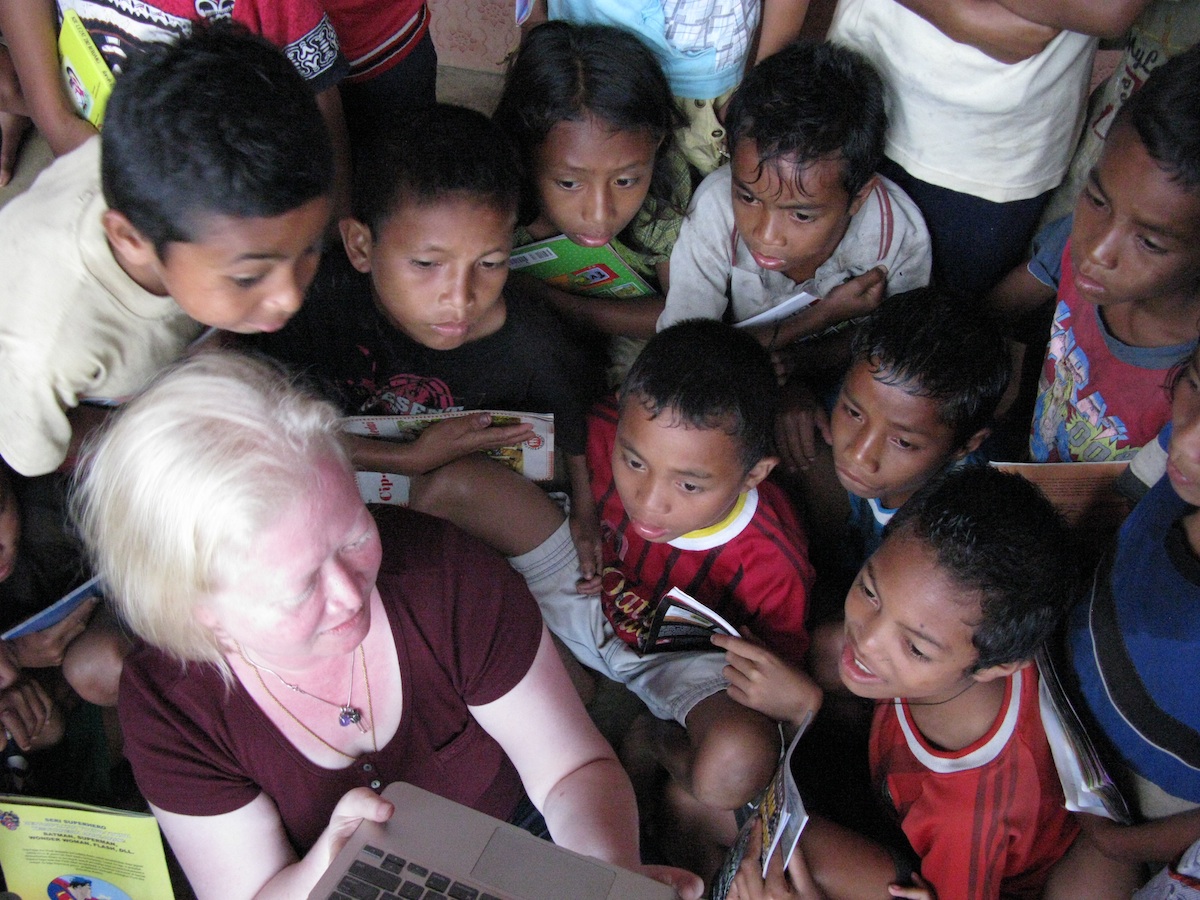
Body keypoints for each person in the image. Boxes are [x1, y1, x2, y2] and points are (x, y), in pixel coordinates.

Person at [70, 351, 703, 900]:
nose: (351, 593)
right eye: (300, 587)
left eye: (352, 536)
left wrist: (605, 879)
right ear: (196, 611)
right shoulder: (171, 705)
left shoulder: (443, 575)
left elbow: (568, 770)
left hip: (525, 841)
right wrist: (326, 861)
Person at [508, 320, 816, 880]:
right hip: (590, 591)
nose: (649, 501)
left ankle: (649, 741)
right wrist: (579, 509)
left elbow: (770, 676)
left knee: (734, 763)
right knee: (467, 491)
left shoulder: (773, 559)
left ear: (754, 474)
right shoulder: (601, 428)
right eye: (634, 462)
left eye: (689, 486)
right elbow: (566, 466)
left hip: (683, 665)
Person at [246, 102, 605, 577]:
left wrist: (585, 513)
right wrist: (409, 459)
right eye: (426, 265)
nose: (459, 299)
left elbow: (573, 440)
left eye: (490, 263)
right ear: (360, 246)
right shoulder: (316, 303)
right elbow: (265, 426)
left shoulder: (534, 346)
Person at [727, 466, 1084, 900]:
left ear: (995, 666)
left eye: (915, 647)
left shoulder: (972, 816)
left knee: (787, 857)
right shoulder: (955, 639)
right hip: (889, 779)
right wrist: (808, 704)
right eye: (871, 592)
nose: (869, 640)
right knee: (825, 650)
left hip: (935, 873)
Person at [0, 23, 334, 478]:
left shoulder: (163, 191)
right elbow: (36, 452)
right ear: (132, 242)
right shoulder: (48, 346)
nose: (291, 296)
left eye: (310, 247)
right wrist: (160, 427)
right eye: (249, 277)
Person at [827, 0, 1149, 298]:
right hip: (858, 76)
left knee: (938, 318)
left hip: (991, 152)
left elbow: (1105, 8)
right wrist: (955, 14)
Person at [990, 44, 1200, 464]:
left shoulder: (1191, 375)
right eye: (1097, 199)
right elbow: (994, 313)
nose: (1097, 250)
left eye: (1150, 243)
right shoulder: (1077, 235)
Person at [657, 40, 931, 351]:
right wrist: (820, 317)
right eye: (748, 198)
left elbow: (890, 351)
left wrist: (804, 364)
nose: (765, 235)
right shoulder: (714, 208)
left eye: (800, 215)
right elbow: (683, 354)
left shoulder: (898, 238)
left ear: (859, 196)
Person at [1056, 339, 1200, 894]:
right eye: (1195, 383)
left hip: (1136, 812)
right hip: (1057, 702)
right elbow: (1118, 506)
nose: (1187, 440)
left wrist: (1124, 844)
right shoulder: (1180, 453)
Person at [0, 0, 350, 207]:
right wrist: (55, 119)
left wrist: (331, 225)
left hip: (201, 187)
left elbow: (319, 103)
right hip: (83, 113)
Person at [493, 21, 692, 384]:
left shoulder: (664, 188)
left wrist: (555, 301)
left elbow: (682, 314)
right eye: (569, 183)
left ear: (658, 145)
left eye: (626, 180)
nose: (600, 213)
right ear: (522, 155)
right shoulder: (497, 199)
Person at [788, 288, 1010, 579]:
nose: (859, 454)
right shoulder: (829, 404)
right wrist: (790, 392)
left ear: (966, 445)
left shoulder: (961, 529)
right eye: (853, 413)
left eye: (903, 442)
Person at [520, 0, 811, 175]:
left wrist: (759, 87)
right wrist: (534, 25)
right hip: (581, 63)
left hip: (696, 84)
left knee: (683, 202)